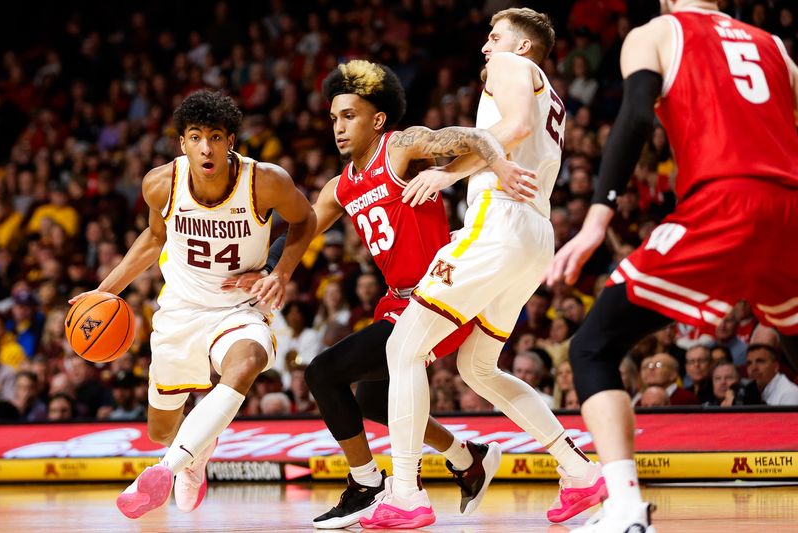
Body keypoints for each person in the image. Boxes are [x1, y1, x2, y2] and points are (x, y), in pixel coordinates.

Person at [234, 59, 536, 529]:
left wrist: (496, 165)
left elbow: (472, 138)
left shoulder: (400, 147)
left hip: (442, 295)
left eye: (349, 115)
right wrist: (274, 269)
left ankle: (366, 484)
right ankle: (467, 457)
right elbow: (303, 227)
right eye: (333, 117)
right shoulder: (340, 186)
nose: (337, 126)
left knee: (324, 372)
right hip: (399, 301)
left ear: (377, 119)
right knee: (375, 402)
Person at [544, 1, 798, 531]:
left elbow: (636, 115)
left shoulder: (658, 31)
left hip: (726, 200)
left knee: (592, 346)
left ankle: (625, 506)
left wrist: (596, 220)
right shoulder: (775, 47)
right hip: (790, 206)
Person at [366, 9, 606, 529]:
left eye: (494, 38)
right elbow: (520, 132)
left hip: (500, 222)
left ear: (521, 47)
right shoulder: (550, 92)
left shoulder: (511, 68)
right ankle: (580, 472)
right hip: (533, 234)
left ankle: (405, 493)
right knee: (477, 367)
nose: (485, 47)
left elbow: (513, 128)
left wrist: (447, 173)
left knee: (402, 347)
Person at [69, 90, 316, 519]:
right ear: (182, 142)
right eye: (196, 136)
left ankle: (168, 469)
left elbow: (306, 219)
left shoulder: (265, 181)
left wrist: (279, 273)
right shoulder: (160, 183)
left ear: (231, 141)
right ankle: (195, 454)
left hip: (239, 307)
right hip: (181, 310)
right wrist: (104, 291)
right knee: (160, 429)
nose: (207, 147)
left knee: (249, 359)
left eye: (216, 137)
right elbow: (153, 238)